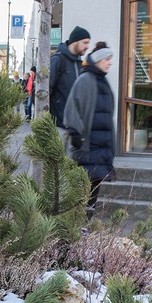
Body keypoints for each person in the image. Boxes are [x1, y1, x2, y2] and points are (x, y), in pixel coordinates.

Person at [64, 44, 116, 207]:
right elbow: (72, 109)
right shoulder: (85, 80)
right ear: (99, 60)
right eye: (107, 59)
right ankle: (79, 226)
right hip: (88, 150)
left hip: (100, 149)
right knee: (84, 193)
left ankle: (83, 226)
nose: (110, 63)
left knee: (92, 193)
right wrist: (76, 136)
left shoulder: (102, 81)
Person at [49, 26, 90, 127]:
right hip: (59, 127)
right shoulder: (57, 60)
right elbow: (44, 92)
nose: (88, 46)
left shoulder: (80, 65)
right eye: (85, 42)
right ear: (75, 42)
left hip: (75, 129)